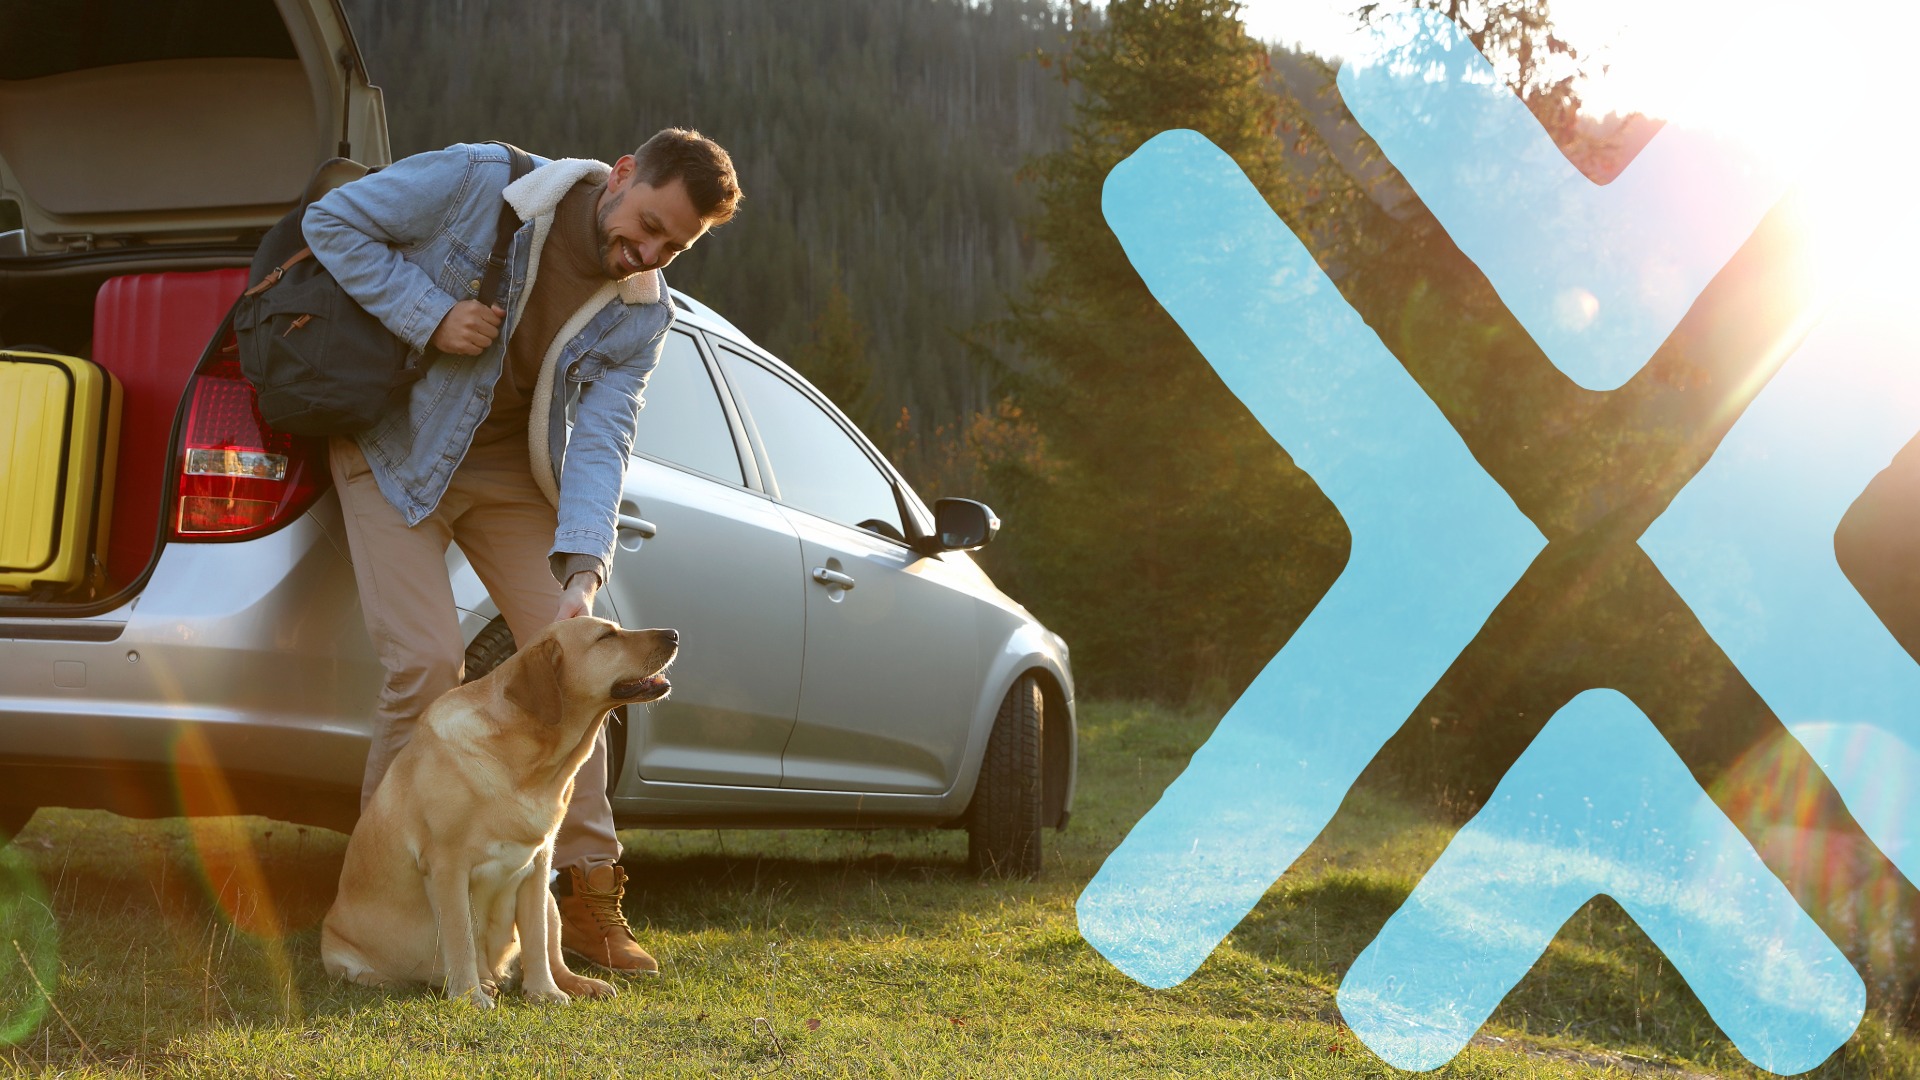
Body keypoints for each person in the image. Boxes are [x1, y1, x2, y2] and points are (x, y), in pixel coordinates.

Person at [303, 129, 742, 973]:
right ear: (620, 176)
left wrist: (582, 568)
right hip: (396, 450)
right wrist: (429, 314)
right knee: (426, 662)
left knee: (598, 671)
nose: (646, 251)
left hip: (509, 475)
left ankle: (584, 895)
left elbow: (602, 440)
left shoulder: (644, 311)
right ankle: (379, 895)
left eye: (673, 245)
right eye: (647, 222)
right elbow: (333, 223)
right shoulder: (480, 180)